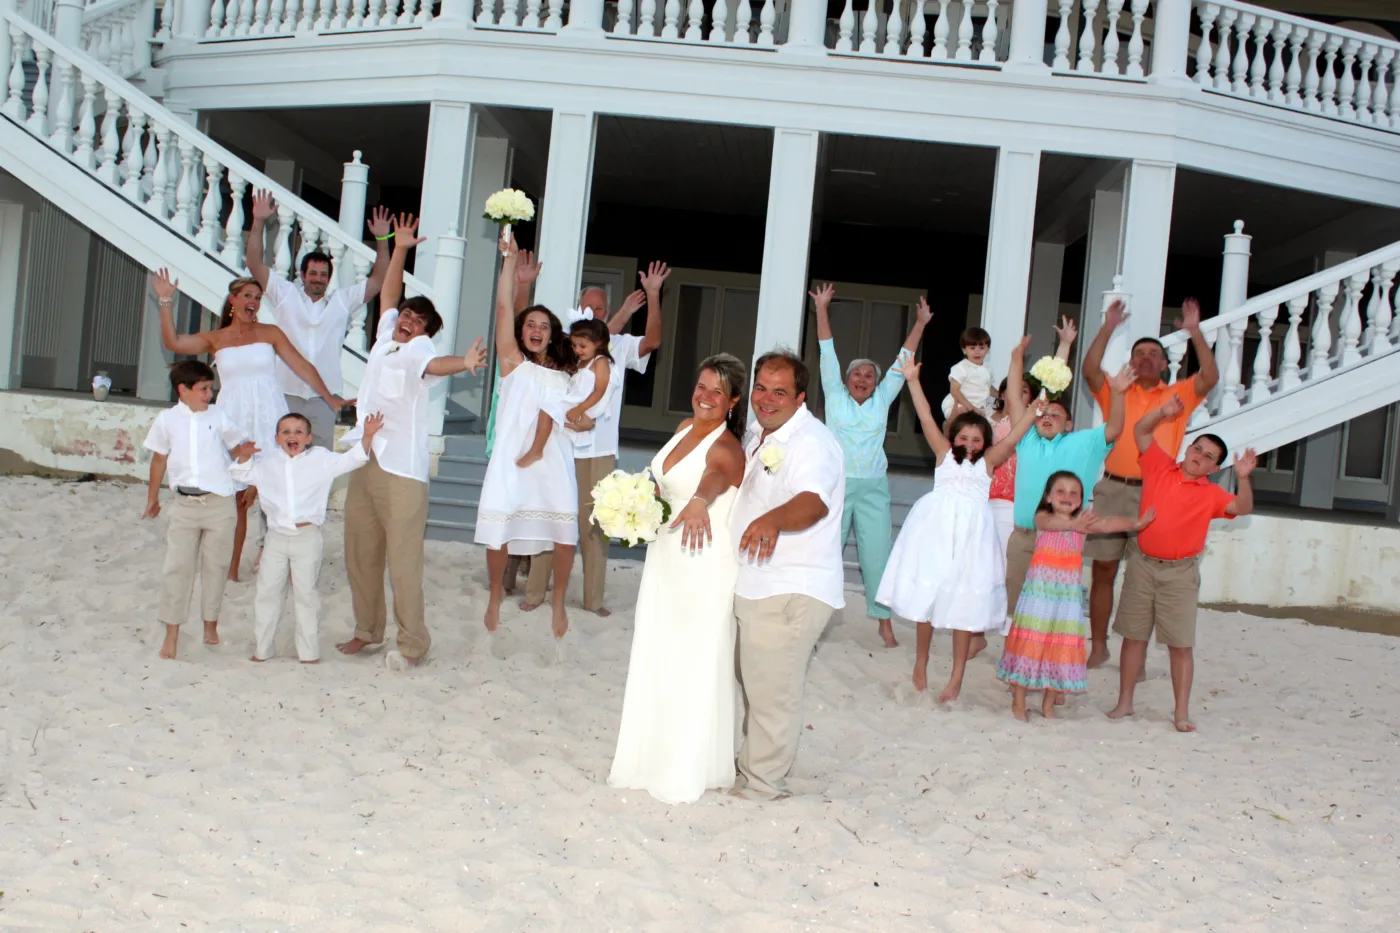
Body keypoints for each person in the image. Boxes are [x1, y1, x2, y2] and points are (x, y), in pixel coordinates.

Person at [335, 215, 487, 669]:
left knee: (403, 565)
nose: (407, 321)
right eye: (407, 315)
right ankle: (367, 631)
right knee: (360, 553)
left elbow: (436, 365)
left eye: (418, 321)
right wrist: (398, 248)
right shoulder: (385, 339)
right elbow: (388, 294)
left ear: (425, 332)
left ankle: (412, 644)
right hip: (365, 458)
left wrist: (464, 362)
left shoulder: (420, 350)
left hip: (402, 472)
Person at [609, 354, 748, 804]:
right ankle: (649, 754)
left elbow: (715, 476)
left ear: (733, 401)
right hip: (666, 555)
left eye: (717, 392)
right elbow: (662, 481)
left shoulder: (727, 446)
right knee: (660, 646)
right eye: (702, 386)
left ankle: (688, 764)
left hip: (703, 562)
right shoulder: (684, 428)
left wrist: (698, 502)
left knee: (694, 655)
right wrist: (638, 499)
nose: (706, 397)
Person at [151, 270, 347, 585]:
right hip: (233, 422)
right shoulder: (216, 339)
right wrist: (165, 300)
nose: (253, 302)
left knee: (279, 490)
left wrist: (330, 398)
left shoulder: (271, 333)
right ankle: (230, 567)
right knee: (237, 500)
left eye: (257, 298)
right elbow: (172, 341)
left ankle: (285, 559)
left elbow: (303, 366)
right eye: (247, 296)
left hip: (270, 418)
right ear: (233, 301)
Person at [877, 360, 1039, 703]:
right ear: (953, 438)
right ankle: (920, 663)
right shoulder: (942, 454)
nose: (968, 442)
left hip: (972, 538)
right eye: (963, 436)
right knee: (929, 599)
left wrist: (1033, 410)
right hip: (936, 531)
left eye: (976, 438)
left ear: (985, 442)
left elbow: (1016, 436)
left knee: (965, 602)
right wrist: (913, 381)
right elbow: (923, 417)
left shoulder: (990, 461)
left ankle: (956, 677)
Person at [1081, 297, 1220, 668]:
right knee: (1104, 571)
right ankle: (1098, 646)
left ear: (1164, 363)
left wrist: (1194, 332)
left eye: (1153, 354)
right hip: (1113, 489)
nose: (1145, 358)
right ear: (1131, 359)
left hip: (1158, 494)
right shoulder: (1117, 390)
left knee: (1141, 578)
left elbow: (1210, 376)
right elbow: (1090, 369)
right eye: (1138, 353)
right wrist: (1108, 326)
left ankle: (1135, 658)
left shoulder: (1178, 395)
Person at [521, 264, 668, 615]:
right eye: (588, 308)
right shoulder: (569, 348)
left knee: (595, 526)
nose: (594, 313)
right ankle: (534, 592)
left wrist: (652, 295)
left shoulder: (615, 347)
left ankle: (593, 600)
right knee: (552, 516)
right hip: (560, 447)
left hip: (598, 451)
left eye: (600, 309)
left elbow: (653, 341)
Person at [1108, 396, 1256, 732]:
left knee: (1180, 644)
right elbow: (1140, 430)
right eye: (1197, 448)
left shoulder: (1212, 494)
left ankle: (1181, 713)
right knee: (1133, 637)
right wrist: (1162, 412)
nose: (1198, 457)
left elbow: (1243, 508)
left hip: (1180, 574)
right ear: (1188, 447)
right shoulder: (1159, 465)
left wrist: (1244, 477)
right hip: (1142, 565)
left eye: (1208, 457)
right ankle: (1125, 702)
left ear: (1214, 468)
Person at [477, 232, 597, 642]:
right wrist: (508, 260)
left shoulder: (567, 375)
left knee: (564, 535)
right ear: (521, 330)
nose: (536, 330)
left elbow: (574, 418)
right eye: (530, 324)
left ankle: (558, 602)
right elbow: (503, 305)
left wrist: (583, 423)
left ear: (552, 335)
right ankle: (495, 594)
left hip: (553, 462)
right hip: (513, 457)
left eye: (544, 327)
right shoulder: (512, 362)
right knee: (500, 533)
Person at [811, 284, 931, 649]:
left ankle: (884, 622)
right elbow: (827, 352)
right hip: (836, 485)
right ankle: (815, 620)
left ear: (877, 383)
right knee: (825, 551)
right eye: (857, 375)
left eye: (869, 376)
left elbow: (903, 358)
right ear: (845, 380)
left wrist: (921, 322)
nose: (863, 379)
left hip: (873, 487)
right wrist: (822, 309)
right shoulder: (834, 395)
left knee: (878, 554)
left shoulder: (882, 399)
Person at [996, 472, 1152, 721]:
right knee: (1030, 644)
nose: (1067, 497)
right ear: (1048, 497)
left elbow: (1108, 523)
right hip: (1039, 596)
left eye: (1074, 493)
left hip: (1066, 600)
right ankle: (1019, 700)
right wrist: (1074, 525)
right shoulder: (1043, 517)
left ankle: (1049, 703)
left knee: (1059, 647)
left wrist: (1135, 524)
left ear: (1081, 500)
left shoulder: (1084, 523)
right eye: (1060, 491)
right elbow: (1048, 524)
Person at [230, 411, 383, 664]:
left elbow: (352, 460)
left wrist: (367, 436)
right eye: (286, 432)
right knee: (267, 592)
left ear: (309, 437)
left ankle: (308, 652)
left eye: (299, 432)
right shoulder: (267, 462)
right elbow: (240, 474)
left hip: (307, 536)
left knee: (306, 595)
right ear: (277, 438)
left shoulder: (321, 460)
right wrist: (244, 455)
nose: (293, 436)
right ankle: (262, 648)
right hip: (276, 538)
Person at [246, 190, 392, 449]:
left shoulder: (342, 301)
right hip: (285, 392)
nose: (317, 278)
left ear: (328, 278)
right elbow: (255, 264)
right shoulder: (285, 294)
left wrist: (383, 239)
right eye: (312, 273)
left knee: (321, 458)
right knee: (278, 455)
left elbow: (379, 280)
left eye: (323, 274)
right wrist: (257, 222)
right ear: (302, 275)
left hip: (324, 397)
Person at [1001, 336, 1132, 619]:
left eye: (1055, 414)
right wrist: (1016, 359)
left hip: (1063, 540)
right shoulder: (1026, 440)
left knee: (1052, 614)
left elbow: (1116, 426)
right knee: (1017, 610)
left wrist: (1119, 393)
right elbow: (1013, 399)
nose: (1046, 417)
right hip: (1024, 538)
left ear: (1069, 423)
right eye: (1042, 414)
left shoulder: (1086, 443)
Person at [142, 360, 254, 660]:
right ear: (184, 389)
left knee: (216, 566)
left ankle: (210, 623)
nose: (209, 394)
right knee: (176, 569)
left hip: (219, 502)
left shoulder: (218, 415)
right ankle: (172, 634)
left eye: (210, 388)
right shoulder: (167, 420)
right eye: (204, 389)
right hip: (184, 505)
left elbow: (235, 446)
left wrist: (243, 453)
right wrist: (152, 499)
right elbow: (158, 460)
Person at [984, 318, 1077, 559]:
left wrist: (1065, 345)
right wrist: (1016, 359)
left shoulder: (1032, 428)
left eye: (1028, 390)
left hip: (1018, 505)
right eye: (1018, 389)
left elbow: (1053, 382)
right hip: (989, 498)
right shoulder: (996, 420)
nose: (1020, 393)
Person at [941, 326, 996, 418]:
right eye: (972, 348)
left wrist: (1001, 395)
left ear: (987, 350)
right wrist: (971, 408)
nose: (977, 352)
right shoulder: (961, 368)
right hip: (959, 404)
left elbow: (987, 387)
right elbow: (954, 390)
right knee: (964, 415)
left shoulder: (987, 369)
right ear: (964, 350)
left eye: (981, 348)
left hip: (978, 407)